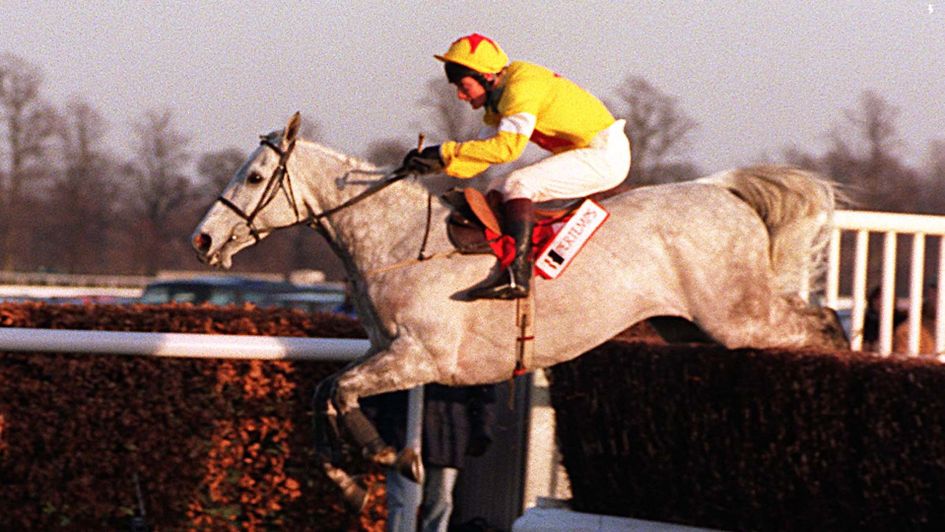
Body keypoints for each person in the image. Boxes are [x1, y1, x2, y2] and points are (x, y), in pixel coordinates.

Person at [401, 33, 631, 300]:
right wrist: (435, 164)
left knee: (518, 183)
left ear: (486, 76)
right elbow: (482, 155)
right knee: (497, 186)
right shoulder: (501, 96)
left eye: (463, 86)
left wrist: (444, 152)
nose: (461, 96)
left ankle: (517, 275)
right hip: (589, 152)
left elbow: (507, 149)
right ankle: (503, 261)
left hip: (605, 156)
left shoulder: (521, 88)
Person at [361, 384, 497, 532]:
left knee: (439, 501)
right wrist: (370, 434)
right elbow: (376, 385)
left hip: (446, 435)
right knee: (405, 502)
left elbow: (483, 389)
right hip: (402, 430)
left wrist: (482, 430)